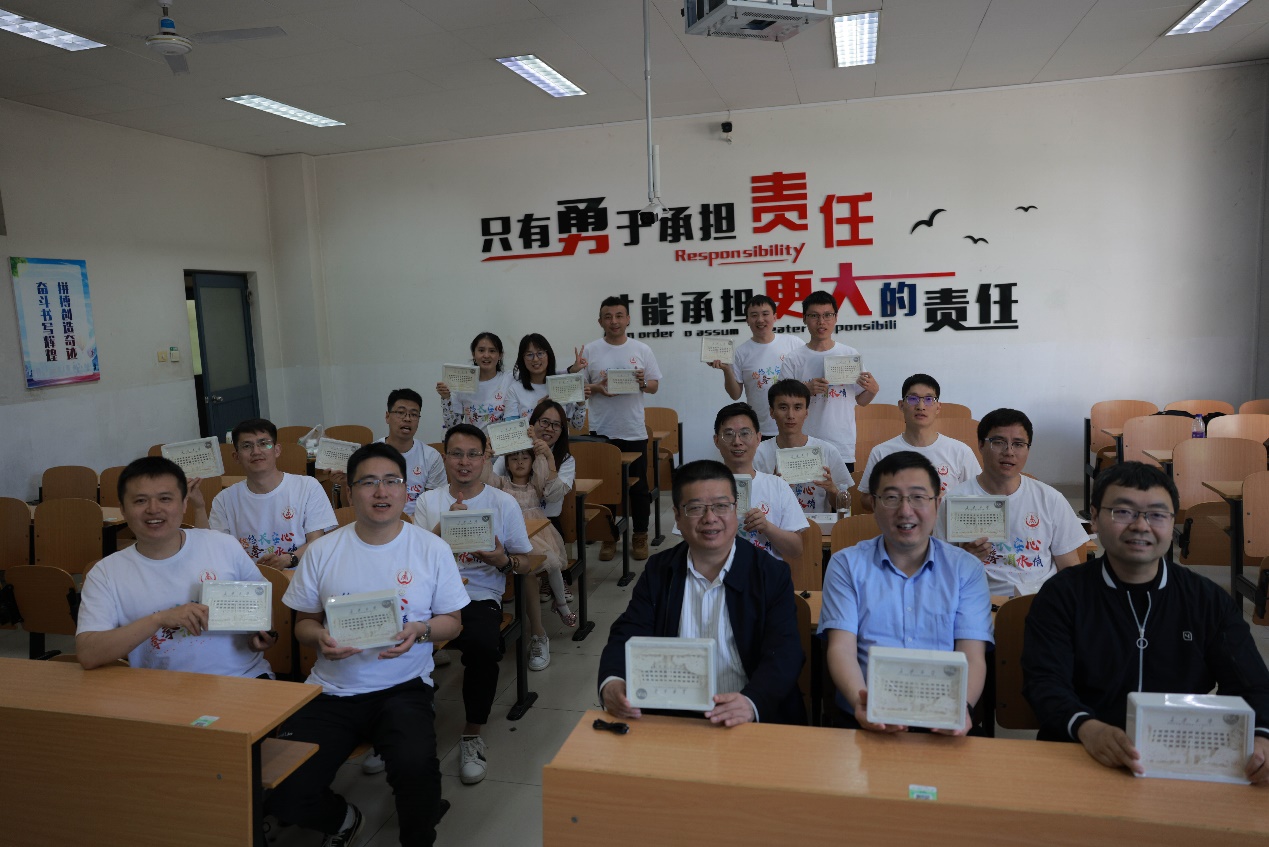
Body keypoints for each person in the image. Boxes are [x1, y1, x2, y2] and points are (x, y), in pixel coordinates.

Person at [269, 443, 468, 847]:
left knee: (417, 776)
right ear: (350, 491)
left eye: (392, 481)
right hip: (331, 690)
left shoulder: (430, 548)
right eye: (369, 482)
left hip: (403, 687)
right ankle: (343, 818)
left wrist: (420, 631)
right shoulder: (322, 551)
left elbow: (453, 623)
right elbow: (304, 625)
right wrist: (319, 638)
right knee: (283, 788)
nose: (381, 491)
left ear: (405, 489)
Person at [1022, 462, 1269, 783]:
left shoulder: (1207, 600)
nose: (1141, 526)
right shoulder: (1061, 594)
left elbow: (1252, 685)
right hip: (1077, 751)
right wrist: (1087, 727)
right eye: (1123, 512)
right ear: (1094, 517)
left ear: (1172, 522)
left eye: (1156, 514)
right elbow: (1044, 682)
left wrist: (1261, 736)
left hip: (1179, 759)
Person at [598, 459, 805, 726]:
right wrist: (613, 681)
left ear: (736, 510)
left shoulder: (770, 574)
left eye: (721, 506)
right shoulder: (660, 570)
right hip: (674, 716)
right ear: (677, 516)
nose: (710, 518)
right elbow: (628, 631)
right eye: (695, 508)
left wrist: (751, 702)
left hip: (747, 717)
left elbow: (785, 651)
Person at [820, 451, 993, 734]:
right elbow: (841, 649)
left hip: (944, 718)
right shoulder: (846, 565)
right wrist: (861, 702)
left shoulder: (966, 569)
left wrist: (963, 708)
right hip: (865, 717)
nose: (905, 510)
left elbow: (972, 654)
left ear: (937, 504)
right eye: (891, 497)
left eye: (918, 497)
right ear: (873, 504)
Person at [75, 456, 276, 674]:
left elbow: (262, 603)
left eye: (165, 499)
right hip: (160, 687)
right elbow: (88, 654)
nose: (153, 509)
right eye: (140, 501)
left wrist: (259, 636)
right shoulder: (106, 573)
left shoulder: (223, 545)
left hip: (244, 679)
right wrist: (159, 619)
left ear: (184, 503)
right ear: (123, 509)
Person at [417, 424, 533, 786]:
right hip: (431, 597)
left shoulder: (502, 502)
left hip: (479, 595)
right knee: (396, 640)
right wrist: (443, 527)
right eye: (456, 454)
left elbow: (527, 562)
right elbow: (413, 560)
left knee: (484, 645)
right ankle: (395, 724)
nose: (464, 462)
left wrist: (502, 561)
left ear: (485, 458)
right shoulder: (428, 502)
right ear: (445, 457)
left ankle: (472, 734)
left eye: (472, 454)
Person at [934, 408, 1087, 596]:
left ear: (1028, 449)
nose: (1009, 452)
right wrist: (964, 560)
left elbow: (1069, 569)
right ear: (981, 445)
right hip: (981, 599)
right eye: (998, 442)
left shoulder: (1050, 499)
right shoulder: (954, 501)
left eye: (1018, 444)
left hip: (1039, 600)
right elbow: (940, 574)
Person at [576, 296, 663, 560]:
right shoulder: (590, 351)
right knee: (605, 488)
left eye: (619, 316)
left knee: (639, 488)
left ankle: (640, 535)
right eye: (608, 316)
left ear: (628, 319)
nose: (614, 321)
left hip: (633, 429)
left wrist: (642, 383)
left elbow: (654, 386)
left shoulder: (642, 349)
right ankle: (608, 537)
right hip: (602, 430)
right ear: (600, 321)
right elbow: (579, 390)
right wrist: (598, 388)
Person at [196, 418, 338, 568]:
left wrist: (289, 559)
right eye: (246, 446)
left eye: (264, 444)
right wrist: (198, 507)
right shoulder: (224, 499)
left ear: (277, 450)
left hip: (297, 574)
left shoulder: (307, 487)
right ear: (236, 457)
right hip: (248, 579)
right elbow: (215, 550)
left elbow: (316, 541)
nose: (256, 451)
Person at [487, 445, 576, 671]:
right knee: (537, 566)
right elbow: (486, 478)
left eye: (524, 458)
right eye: (514, 458)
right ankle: (554, 609)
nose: (519, 462)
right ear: (506, 464)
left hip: (538, 533)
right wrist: (487, 456)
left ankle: (561, 603)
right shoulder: (502, 484)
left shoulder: (535, 485)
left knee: (552, 563)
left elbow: (544, 471)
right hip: (514, 535)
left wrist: (544, 453)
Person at [778, 290, 879, 469]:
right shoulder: (794, 358)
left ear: (836, 318)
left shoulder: (849, 354)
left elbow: (861, 400)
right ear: (804, 319)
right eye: (814, 316)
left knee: (840, 488)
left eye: (827, 315)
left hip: (841, 443)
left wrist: (873, 390)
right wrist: (804, 390)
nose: (821, 321)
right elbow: (781, 400)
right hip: (804, 443)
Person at [857, 374, 980, 510]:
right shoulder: (881, 452)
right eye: (913, 399)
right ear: (901, 405)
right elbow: (865, 500)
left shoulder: (961, 452)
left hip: (945, 523)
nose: (921, 406)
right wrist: (898, 500)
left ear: (938, 407)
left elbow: (979, 497)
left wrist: (945, 501)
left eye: (929, 399)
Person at [711, 402, 808, 562]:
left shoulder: (777, 485)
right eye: (728, 434)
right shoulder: (704, 486)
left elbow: (796, 549)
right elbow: (688, 544)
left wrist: (767, 527)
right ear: (716, 440)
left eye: (745, 433)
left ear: (758, 438)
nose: (737, 441)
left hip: (765, 575)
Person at [705, 294, 800, 439]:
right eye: (754, 315)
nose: (760, 320)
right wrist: (726, 370)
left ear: (775, 317)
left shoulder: (793, 343)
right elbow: (735, 394)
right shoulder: (741, 352)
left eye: (765, 314)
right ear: (747, 320)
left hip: (795, 427)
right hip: (761, 429)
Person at [754, 379, 849, 514]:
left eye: (797, 407)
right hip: (775, 527)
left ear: (806, 412)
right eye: (783, 407)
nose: (790, 415)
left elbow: (845, 508)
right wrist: (773, 487)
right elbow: (752, 505)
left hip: (817, 526)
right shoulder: (758, 454)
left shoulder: (827, 451)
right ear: (772, 412)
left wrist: (832, 489)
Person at [435, 331, 519, 433]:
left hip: (503, 441)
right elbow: (453, 427)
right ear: (473, 354)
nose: (486, 355)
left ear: (500, 355)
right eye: (481, 350)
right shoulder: (462, 384)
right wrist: (446, 398)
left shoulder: (510, 378)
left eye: (492, 351)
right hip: (474, 442)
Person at [381, 388, 446, 514]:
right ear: (387, 417)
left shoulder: (431, 457)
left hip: (419, 522)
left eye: (414, 414)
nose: (407, 419)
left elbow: (434, 505)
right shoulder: (371, 455)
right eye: (401, 412)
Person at [507, 333, 588, 431]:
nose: (535, 359)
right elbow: (512, 431)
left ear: (548, 355)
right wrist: (538, 411)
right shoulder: (514, 390)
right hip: (530, 441)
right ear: (522, 359)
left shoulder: (561, 384)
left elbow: (577, 426)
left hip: (559, 441)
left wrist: (581, 402)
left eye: (540, 353)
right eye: (529, 355)